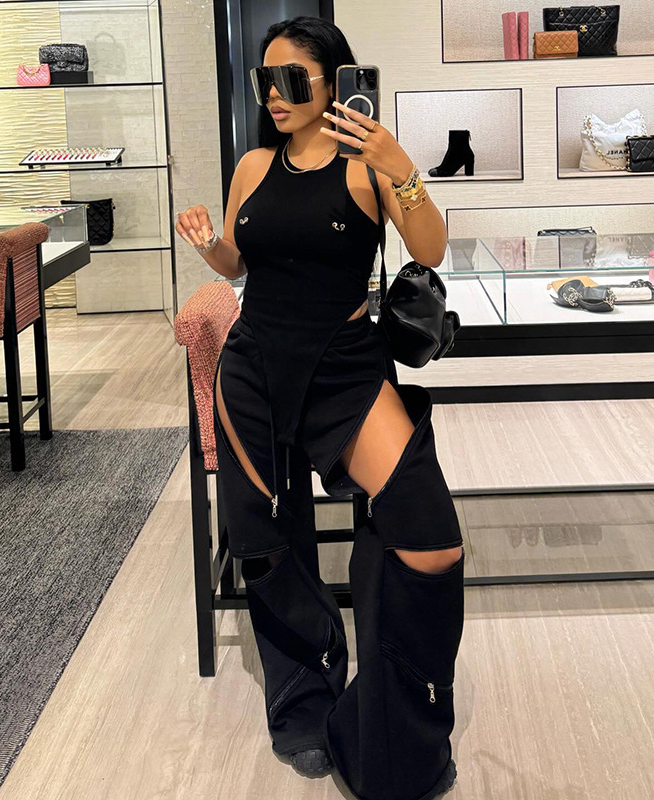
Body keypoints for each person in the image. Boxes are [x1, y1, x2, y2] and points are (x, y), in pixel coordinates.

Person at [176, 16, 465, 800]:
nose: (273, 95)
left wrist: (401, 166)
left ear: (334, 83)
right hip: (254, 369)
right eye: (264, 80)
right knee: (267, 545)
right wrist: (211, 249)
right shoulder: (251, 166)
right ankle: (303, 699)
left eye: (290, 79)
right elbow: (240, 262)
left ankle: (394, 720)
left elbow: (430, 250)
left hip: (344, 369)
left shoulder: (366, 165)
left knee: (429, 540)